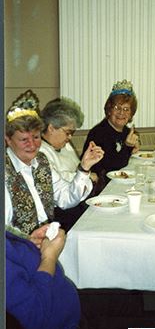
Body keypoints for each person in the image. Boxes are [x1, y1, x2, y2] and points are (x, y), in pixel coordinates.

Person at [6, 228, 155, 329]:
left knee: (131, 299)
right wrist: (49, 257)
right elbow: (35, 314)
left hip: (65, 304)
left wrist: (27, 244)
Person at [5, 89, 104, 236]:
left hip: (50, 237)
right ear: (8, 139)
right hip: (20, 249)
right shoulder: (6, 172)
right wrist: (28, 242)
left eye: (36, 137)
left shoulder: (41, 162)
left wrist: (84, 168)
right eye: (24, 139)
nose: (32, 145)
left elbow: (66, 198)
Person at [81, 79, 140, 192]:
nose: (121, 113)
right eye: (117, 108)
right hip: (101, 189)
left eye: (126, 109)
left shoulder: (126, 131)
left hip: (119, 184)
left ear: (131, 114)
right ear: (109, 110)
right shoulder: (98, 133)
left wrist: (135, 145)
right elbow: (113, 168)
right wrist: (127, 146)